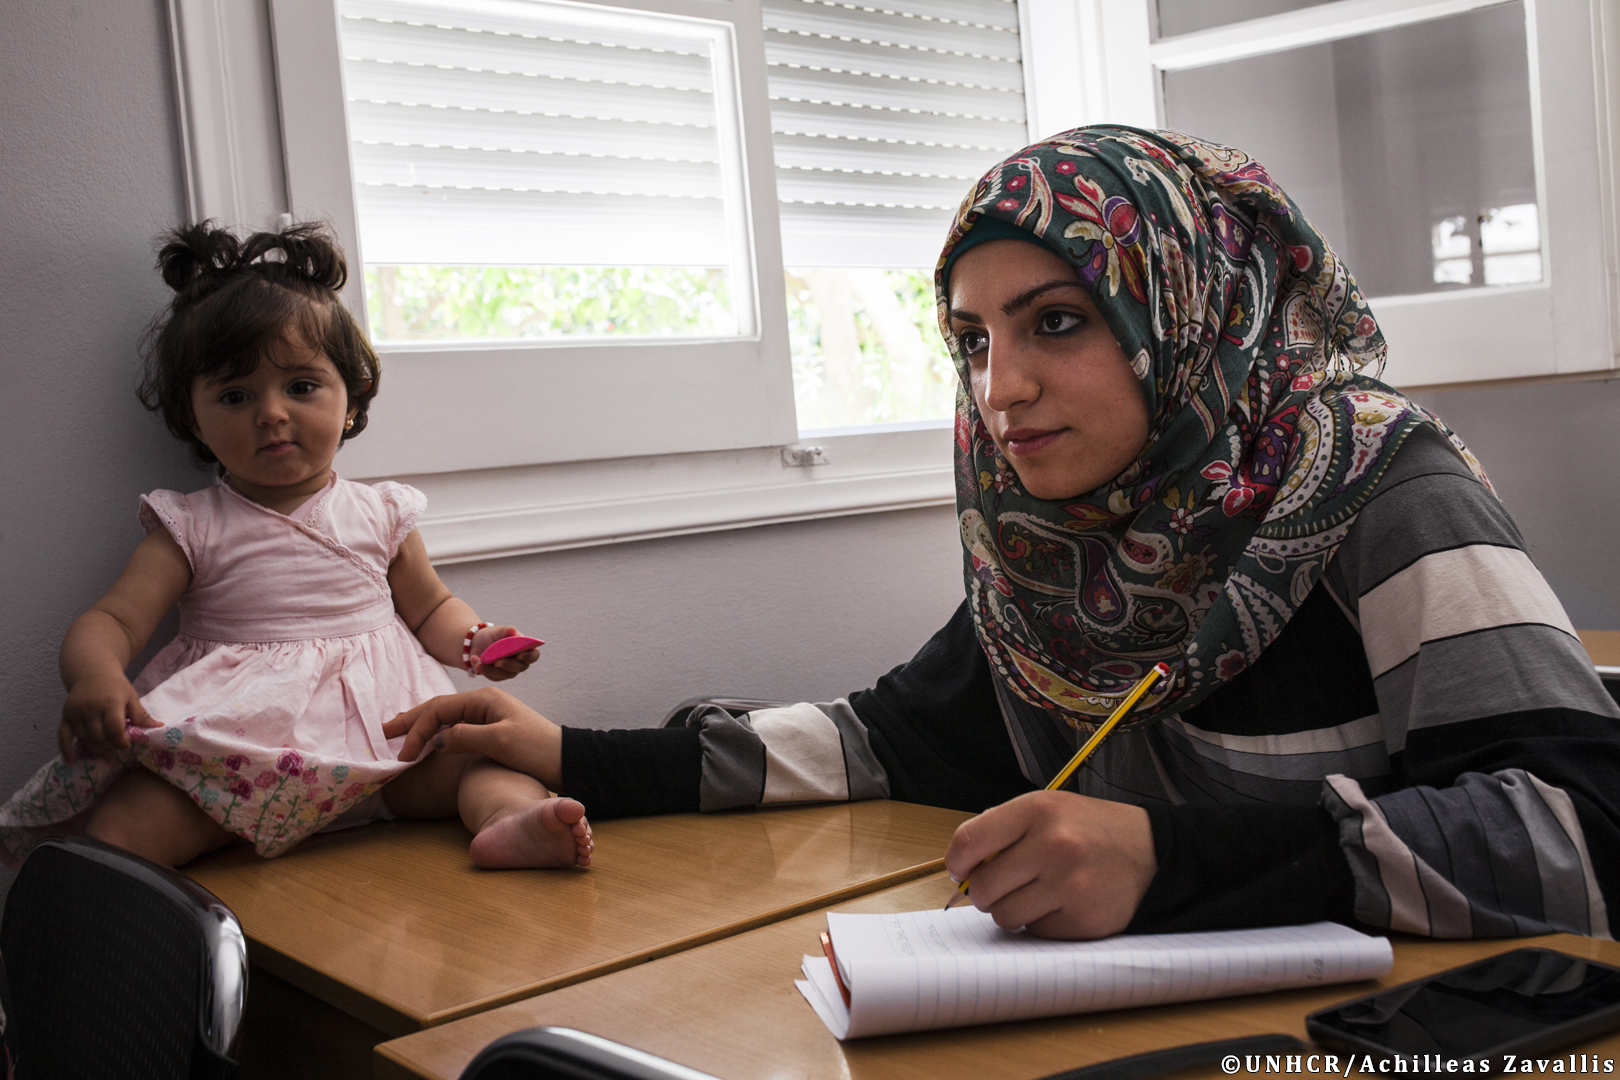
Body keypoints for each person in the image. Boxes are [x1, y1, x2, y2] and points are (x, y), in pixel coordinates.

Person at [384, 126, 1620, 940]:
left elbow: (1582, 831)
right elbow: (883, 739)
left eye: (1058, 323)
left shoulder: (1379, 487)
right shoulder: (1054, 545)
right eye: (972, 341)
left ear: (1182, 309)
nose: (999, 390)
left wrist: (1165, 859)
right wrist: (571, 755)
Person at [0, 222, 592, 871]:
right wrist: (96, 676)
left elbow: (431, 610)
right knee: (127, 824)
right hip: (241, 770)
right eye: (235, 395)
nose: (271, 414)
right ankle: (113, 912)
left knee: (486, 759)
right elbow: (112, 620)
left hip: (390, 746)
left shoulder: (381, 513)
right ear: (193, 418)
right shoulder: (192, 525)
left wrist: (478, 642)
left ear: (351, 398)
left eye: (301, 387)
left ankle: (509, 822)